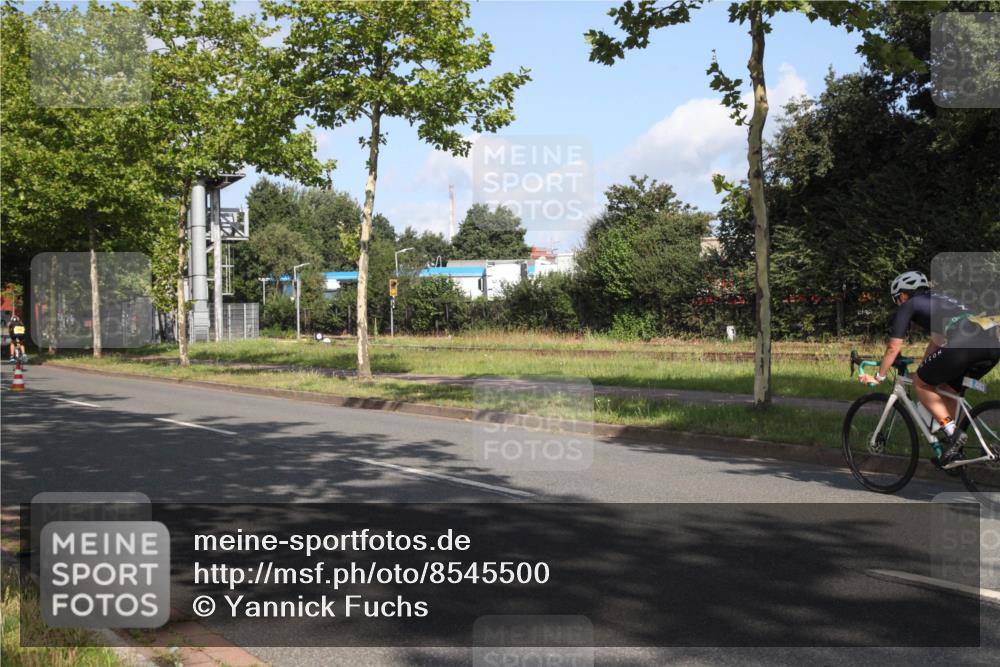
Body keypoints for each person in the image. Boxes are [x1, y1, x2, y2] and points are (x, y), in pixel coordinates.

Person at [859, 271, 1000, 466]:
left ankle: (953, 433)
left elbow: (893, 347)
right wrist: (924, 370)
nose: (899, 303)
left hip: (965, 343)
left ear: (903, 295)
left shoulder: (909, 305)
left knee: (920, 384)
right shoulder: (941, 300)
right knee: (948, 390)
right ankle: (953, 451)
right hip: (991, 345)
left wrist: (879, 376)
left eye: (897, 299)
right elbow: (937, 342)